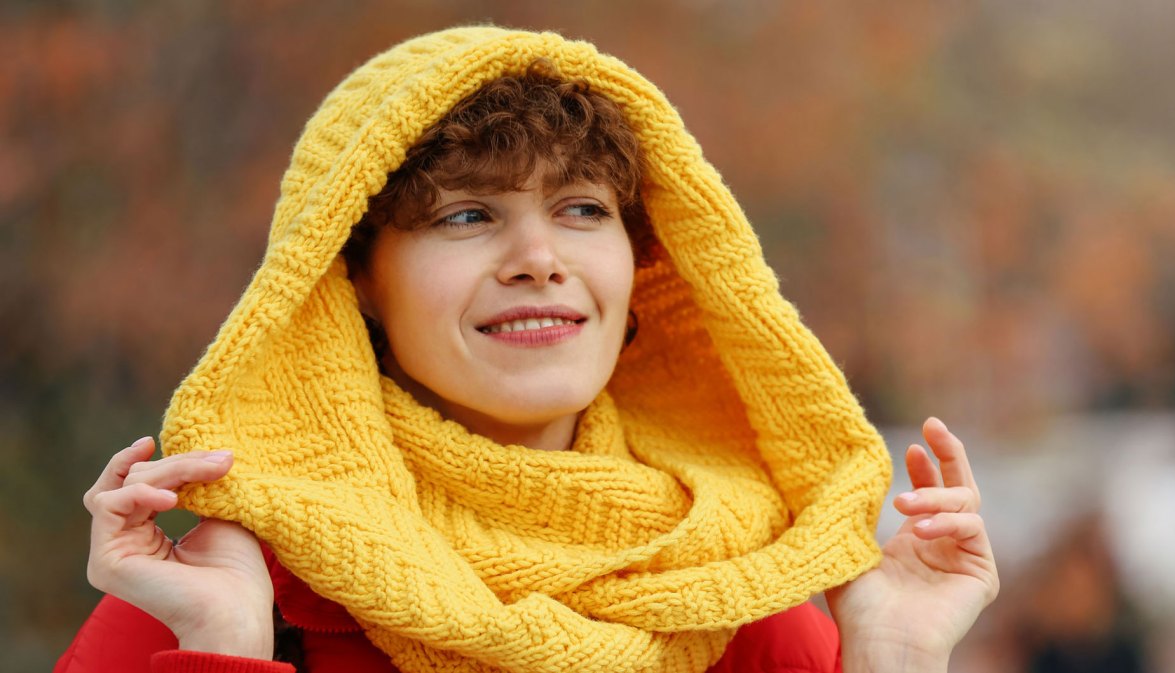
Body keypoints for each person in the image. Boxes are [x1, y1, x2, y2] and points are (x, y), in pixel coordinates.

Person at [56, 26, 998, 673]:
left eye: (582, 209)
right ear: (355, 285)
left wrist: (893, 659)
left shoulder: (743, 598)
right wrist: (226, 644)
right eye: (468, 215)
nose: (539, 260)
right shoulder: (236, 590)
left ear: (645, 266)